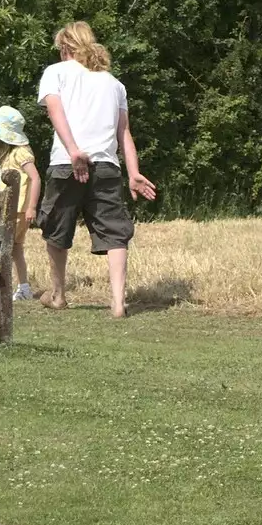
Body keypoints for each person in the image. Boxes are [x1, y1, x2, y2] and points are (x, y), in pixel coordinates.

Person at [35, 21, 157, 318]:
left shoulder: (55, 72)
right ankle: (117, 303)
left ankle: (58, 295)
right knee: (115, 232)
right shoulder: (114, 83)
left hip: (67, 163)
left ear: (65, 46)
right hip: (106, 166)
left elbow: (55, 112)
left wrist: (74, 151)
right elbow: (124, 133)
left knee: (56, 227)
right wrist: (134, 172)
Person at [0, 105, 40, 301]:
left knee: (7, 247)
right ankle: (24, 288)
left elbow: (35, 178)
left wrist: (31, 207)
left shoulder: (20, 153)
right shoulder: (9, 155)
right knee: (15, 248)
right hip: (12, 208)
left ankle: (2, 288)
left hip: (18, 210)